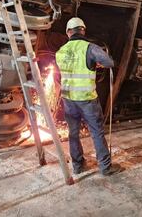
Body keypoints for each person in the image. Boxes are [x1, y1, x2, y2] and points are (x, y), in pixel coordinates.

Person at [55, 17, 121, 176]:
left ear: (68, 33)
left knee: (73, 133)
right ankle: (105, 168)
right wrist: (96, 63)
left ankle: (78, 166)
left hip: (68, 99)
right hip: (87, 99)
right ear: (83, 30)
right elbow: (109, 62)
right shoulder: (90, 48)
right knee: (96, 132)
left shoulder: (60, 51)